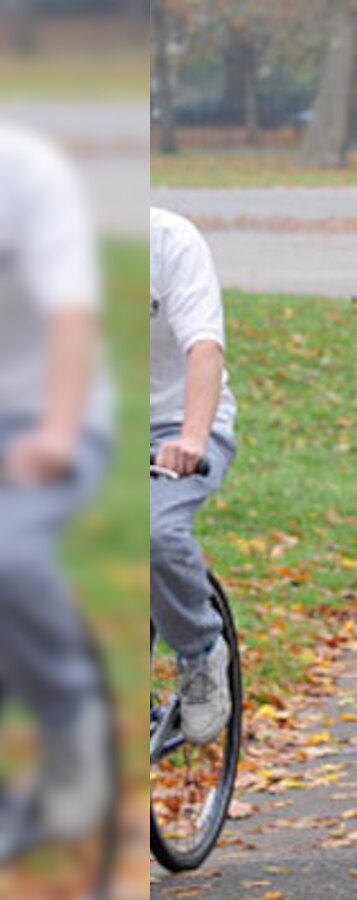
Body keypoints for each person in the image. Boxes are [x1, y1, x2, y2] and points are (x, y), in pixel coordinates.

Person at [0, 123, 113, 850]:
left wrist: (57, 433)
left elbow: (71, 317)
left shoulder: (28, 173)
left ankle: (72, 717)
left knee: (9, 556)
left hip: (47, 416)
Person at [150, 207, 237, 745]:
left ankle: (201, 651)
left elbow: (204, 346)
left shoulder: (170, 242)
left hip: (178, 425)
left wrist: (193, 438)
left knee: (154, 533)